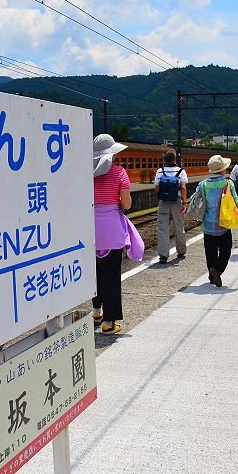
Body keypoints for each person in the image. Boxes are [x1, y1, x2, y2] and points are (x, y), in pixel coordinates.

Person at [92, 134, 144, 335]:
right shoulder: (119, 173)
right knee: (111, 275)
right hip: (112, 229)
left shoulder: (85, 174)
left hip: (90, 229)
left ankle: (96, 311)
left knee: (95, 273)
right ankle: (109, 322)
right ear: (112, 154)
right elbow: (127, 204)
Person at [189, 155, 238, 287]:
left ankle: (211, 276)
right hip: (223, 224)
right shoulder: (227, 183)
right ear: (222, 170)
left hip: (207, 225)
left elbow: (194, 198)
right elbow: (236, 202)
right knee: (225, 251)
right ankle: (217, 270)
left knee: (210, 252)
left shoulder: (203, 184)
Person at [153, 150, 188, 263]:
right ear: (175, 159)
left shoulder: (160, 171)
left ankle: (163, 256)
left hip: (163, 202)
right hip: (177, 202)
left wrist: (162, 195)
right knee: (179, 227)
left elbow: (156, 188)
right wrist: (185, 202)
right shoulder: (181, 171)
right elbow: (183, 188)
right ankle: (181, 251)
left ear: (165, 160)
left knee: (163, 229)